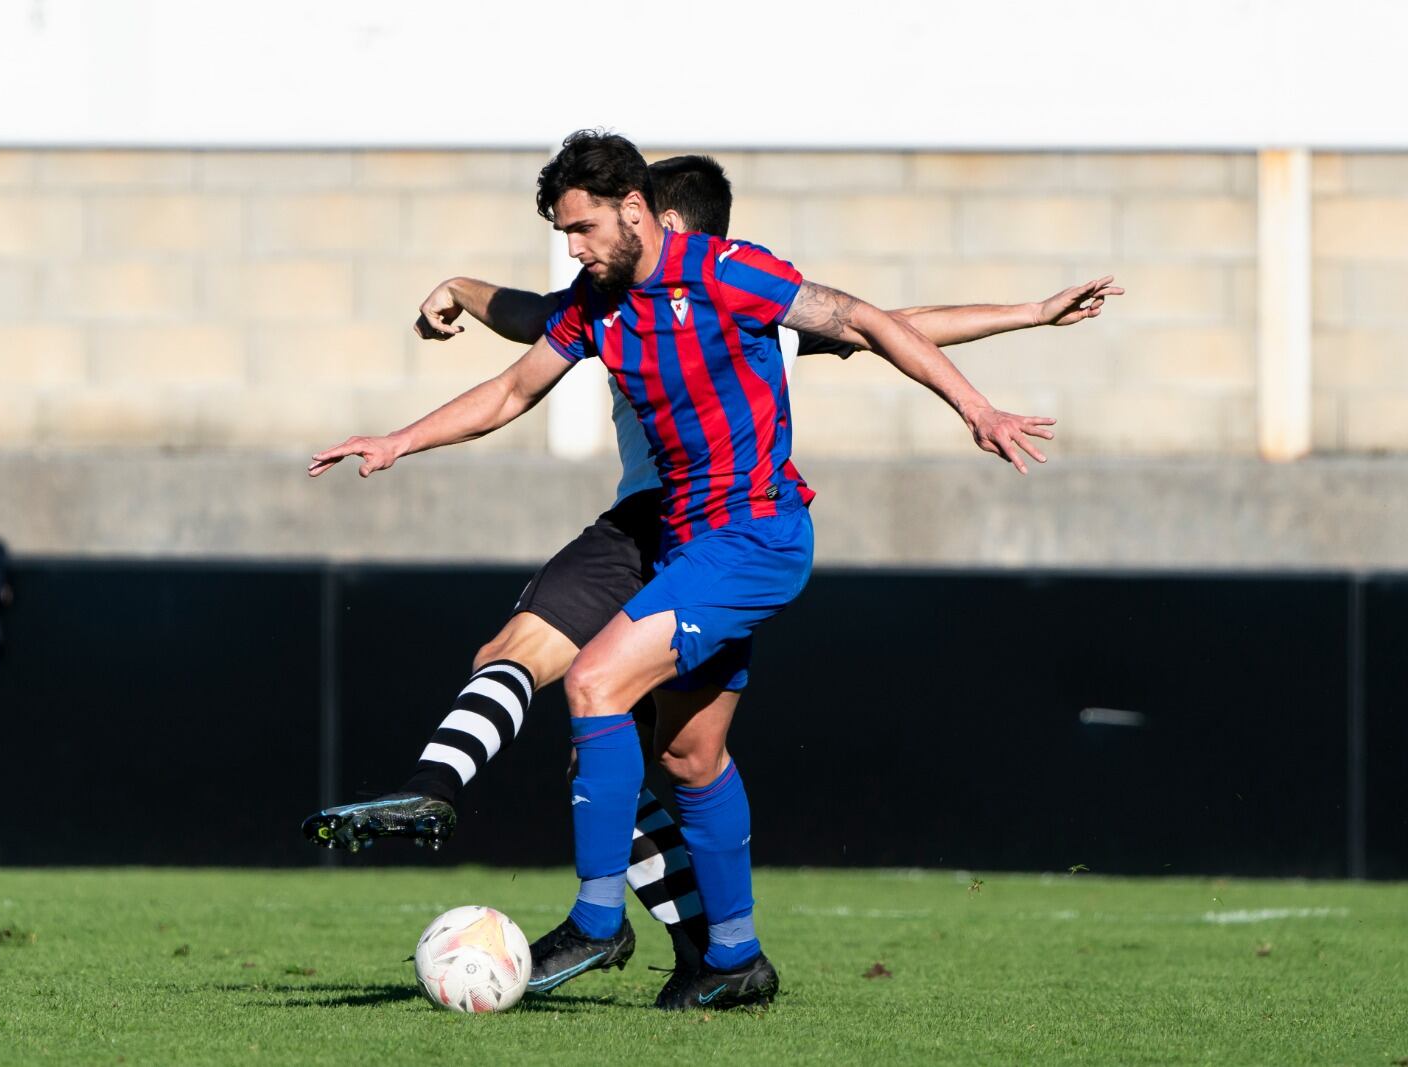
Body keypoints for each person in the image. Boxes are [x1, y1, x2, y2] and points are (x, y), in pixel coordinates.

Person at [301, 153, 1122, 991]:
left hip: (753, 533)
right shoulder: (597, 305)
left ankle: (594, 921)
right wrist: (399, 438)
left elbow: (878, 319)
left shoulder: (729, 276)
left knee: (592, 684)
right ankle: (733, 956)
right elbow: (514, 386)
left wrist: (984, 397)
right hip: (677, 540)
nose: (574, 248)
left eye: (582, 228)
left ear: (640, 210)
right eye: (564, 233)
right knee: (691, 756)